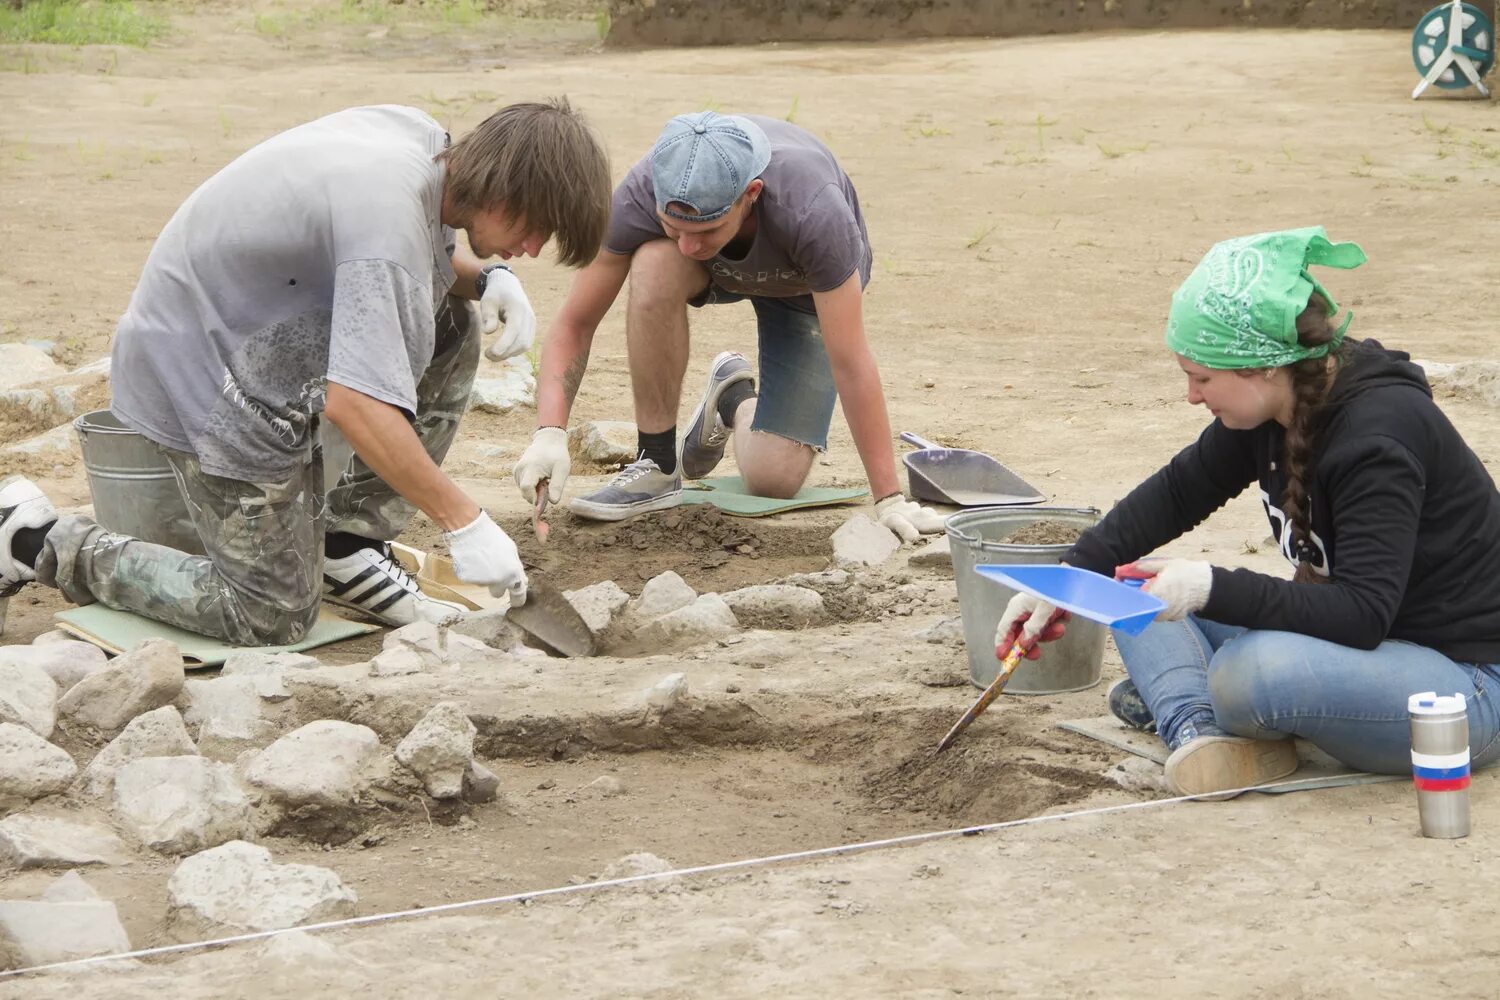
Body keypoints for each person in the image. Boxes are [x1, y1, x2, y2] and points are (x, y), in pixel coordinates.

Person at [0, 99, 612, 646]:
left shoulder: (424, 144)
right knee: (269, 615)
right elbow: (356, 404)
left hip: (247, 324)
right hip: (209, 378)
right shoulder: (387, 220)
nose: (531, 250)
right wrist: (464, 521)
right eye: (536, 231)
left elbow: (394, 252)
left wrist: (485, 278)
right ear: (504, 190)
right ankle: (34, 539)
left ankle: (344, 546)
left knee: (451, 323)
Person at [994, 227, 1500, 797]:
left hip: (1462, 688)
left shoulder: (1377, 437)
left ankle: (1191, 702)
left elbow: (1362, 612)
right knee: (1132, 583)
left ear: (1261, 367)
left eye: (1202, 377)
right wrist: (1068, 577)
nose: (1191, 394)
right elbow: (1177, 492)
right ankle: (1200, 728)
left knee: (1252, 672)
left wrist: (1210, 587)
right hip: (1363, 653)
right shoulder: (1274, 406)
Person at [510, 110, 944, 539]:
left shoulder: (814, 211)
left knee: (773, 479)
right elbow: (575, 322)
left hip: (802, 289)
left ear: (751, 193)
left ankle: (733, 397)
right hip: (718, 274)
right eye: (672, 226)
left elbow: (850, 359)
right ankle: (657, 464)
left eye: (707, 230)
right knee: (655, 263)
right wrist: (549, 432)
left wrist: (888, 497)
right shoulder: (642, 192)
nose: (688, 244)